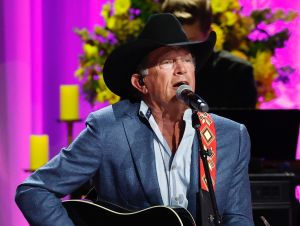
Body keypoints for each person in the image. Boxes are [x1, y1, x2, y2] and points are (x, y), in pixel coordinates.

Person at [15, 13, 254, 225]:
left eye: (188, 60)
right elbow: (34, 191)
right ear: (140, 83)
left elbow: (238, 217)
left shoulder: (231, 136)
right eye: (168, 61)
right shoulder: (108, 128)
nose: (182, 69)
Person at [161, 0, 258, 109]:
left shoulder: (237, 73)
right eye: (173, 41)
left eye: (190, 42)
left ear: (209, 34)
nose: (179, 51)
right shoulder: (148, 72)